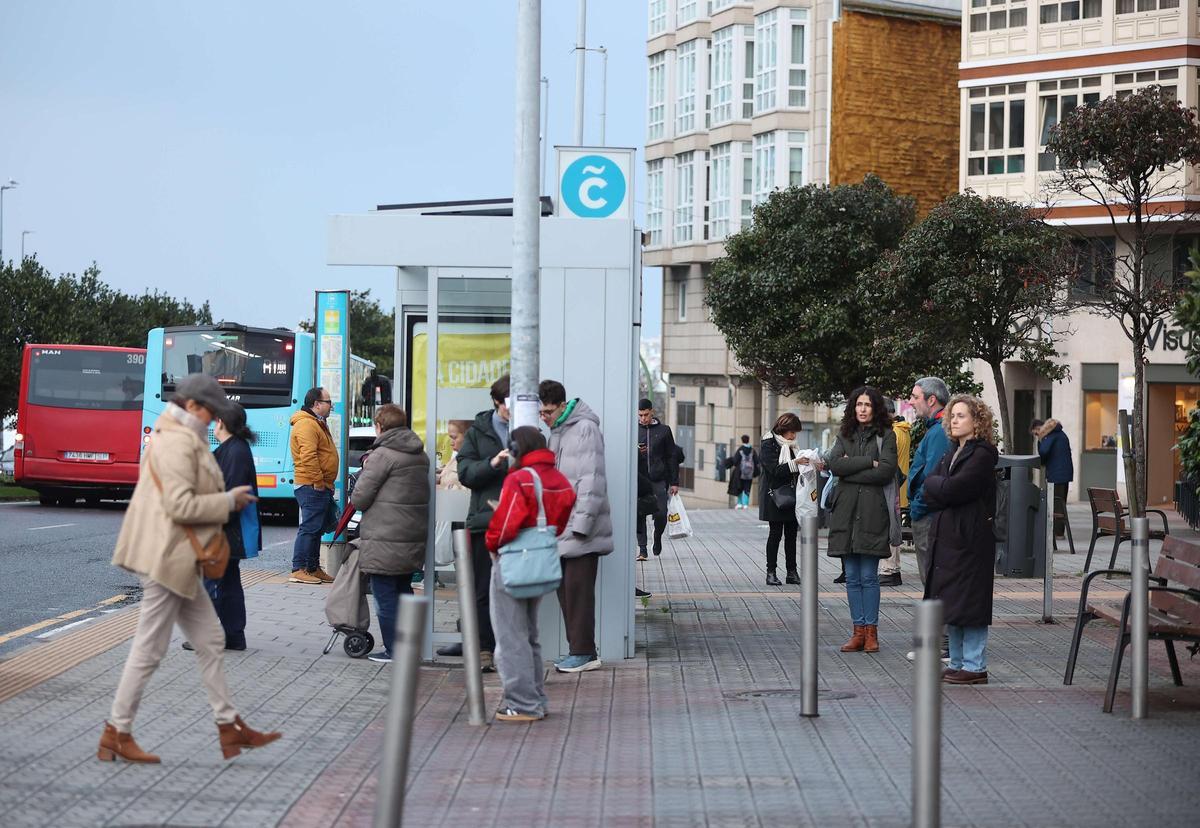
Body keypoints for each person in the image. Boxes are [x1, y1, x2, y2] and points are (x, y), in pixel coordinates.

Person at [101, 374, 280, 764]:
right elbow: (180, 507)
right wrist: (227, 502)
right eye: (211, 411)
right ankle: (117, 731)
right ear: (194, 407)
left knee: (212, 640)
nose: (214, 419)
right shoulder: (176, 444)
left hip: (177, 556)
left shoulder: (184, 438)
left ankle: (229, 727)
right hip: (163, 557)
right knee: (148, 650)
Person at [485, 426, 577, 721]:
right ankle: (535, 697)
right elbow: (561, 517)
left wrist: (491, 543)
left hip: (513, 562)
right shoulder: (558, 478)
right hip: (542, 563)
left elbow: (506, 523)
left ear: (516, 448)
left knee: (511, 636)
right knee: (530, 635)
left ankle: (522, 703)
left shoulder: (520, 479)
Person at [923, 395, 1000, 685]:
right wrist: (940, 487)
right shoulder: (953, 451)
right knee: (952, 603)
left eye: (960, 416)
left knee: (970, 604)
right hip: (948, 539)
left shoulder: (982, 454)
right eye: (952, 416)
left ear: (976, 421)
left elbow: (957, 489)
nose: (954, 421)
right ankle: (957, 662)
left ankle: (975, 665)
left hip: (970, 539)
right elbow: (928, 487)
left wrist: (940, 487)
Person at [539, 379, 613, 673]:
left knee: (578, 592)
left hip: (581, 527)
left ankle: (584, 651)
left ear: (561, 405)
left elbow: (592, 480)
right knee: (566, 591)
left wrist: (582, 524)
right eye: (541, 413)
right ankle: (577, 650)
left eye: (547, 411)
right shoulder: (558, 432)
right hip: (563, 526)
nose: (543, 417)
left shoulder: (584, 429)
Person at [350, 404, 430, 664]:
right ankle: (409, 647)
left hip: (385, 537)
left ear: (380, 426)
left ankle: (394, 651)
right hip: (411, 535)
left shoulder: (382, 455)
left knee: (384, 595)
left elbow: (359, 498)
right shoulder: (419, 454)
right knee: (404, 592)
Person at [827, 386, 898, 654]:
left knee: (869, 576)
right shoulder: (844, 434)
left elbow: (887, 472)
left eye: (867, 404)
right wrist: (870, 462)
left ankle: (871, 633)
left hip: (871, 513)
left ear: (875, 407)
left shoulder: (887, 436)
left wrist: (851, 467)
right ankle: (857, 631)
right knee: (853, 577)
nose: (862, 409)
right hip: (846, 513)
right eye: (858, 404)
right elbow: (835, 465)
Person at [443, 375, 509, 663]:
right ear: (496, 402)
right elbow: (466, 473)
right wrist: (494, 464)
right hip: (486, 521)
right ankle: (483, 648)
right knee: (482, 588)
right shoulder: (478, 431)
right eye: (509, 403)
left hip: (521, 522)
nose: (514, 409)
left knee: (516, 587)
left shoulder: (528, 428)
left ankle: (508, 648)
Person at [184, 403, 259, 652]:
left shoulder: (235, 452)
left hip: (226, 530)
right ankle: (233, 636)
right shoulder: (231, 449)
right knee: (226, 584)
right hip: (225, 529)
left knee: (212, 583)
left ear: (221, 423)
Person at [289, 386, 339, 585]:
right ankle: (298, 568)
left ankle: (312, 567)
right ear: (317, 404)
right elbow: (308, 456)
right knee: (309, 528)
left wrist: (327, 483)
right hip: (311, 485)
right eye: (328, 402)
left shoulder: (316, 423)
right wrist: (319, 482)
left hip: (319, 485)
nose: (331, 405)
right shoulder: (306, 425)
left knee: (316, 528)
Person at [907, 377, 952, 588]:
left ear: (931, 400)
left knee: (933, 584)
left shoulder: (939, 432)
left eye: (915, 397)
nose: (911, 401)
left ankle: (938, 622)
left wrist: (917, 508)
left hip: (928, 516)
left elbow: (934, 476)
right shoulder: (936, 429)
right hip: (929, 513)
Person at [758, 414, 805, 586]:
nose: (793, 436)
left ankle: (791, 572)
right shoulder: (768, 443)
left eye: (795, 433)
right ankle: (771, 572)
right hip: (775, 496)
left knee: (791, 535)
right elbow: (774, 470)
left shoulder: (792, 445)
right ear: (783, 429)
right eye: (792, 432)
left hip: (792, 495)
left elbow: (795, 467)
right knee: (775, 534)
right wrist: (796, 463)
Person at [636, 399, 679, 560]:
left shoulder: (664, 431)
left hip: (658, 479)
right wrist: (638, 452)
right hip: (639, 479)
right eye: (640, 415)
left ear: (652, 412)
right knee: (639, 514)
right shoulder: (634, 430)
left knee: (661, 513)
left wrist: (674, 482)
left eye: (646, 415)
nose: (643, 419)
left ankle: (658, 536)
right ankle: (642, 549)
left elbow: (671, 457)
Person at [879, 399, 911, 587]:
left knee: (889, 528)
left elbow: (884, 460)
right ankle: (893, 569)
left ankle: (888, 569)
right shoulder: (903, 430)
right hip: (899, 488)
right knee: (894, 527)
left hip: (891, 488)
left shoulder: (893, 433)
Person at [1035, 418, 1074, 538]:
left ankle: (1057, 532)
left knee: (1055, 503)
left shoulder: (1052, 436)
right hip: (1064, 474)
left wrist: (1040, 441)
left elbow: (1044, 451)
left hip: (1056, 475)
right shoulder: (1062, 435)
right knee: (1061, 502)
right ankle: (1059, 531)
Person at [726, 434, 760, 510]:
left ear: (742, 440)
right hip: (750, 473)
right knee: (747, 488)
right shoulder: (752, 450)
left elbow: (735, 461)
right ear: (748, 440)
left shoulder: (740, 449)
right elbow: (756, 461)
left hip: (740, 473)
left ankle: (739, 503)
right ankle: (746, 504)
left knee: (739, 487)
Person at [437, 418, 472, 491]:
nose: (451, 443)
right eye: (450, 437)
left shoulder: (473, 462)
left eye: (454, 437)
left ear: (468, 437)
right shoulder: (458, 457)